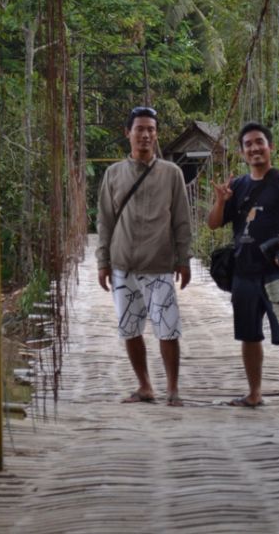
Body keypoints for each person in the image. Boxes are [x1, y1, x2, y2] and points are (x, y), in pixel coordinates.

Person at [208, 121, 279, 410]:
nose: (254, 148)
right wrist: (220, 201)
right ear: (243, 153)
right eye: (248, 144)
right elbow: (213, 224)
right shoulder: (238, 186)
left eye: (259, 142)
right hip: (244, 274)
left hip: (275, 275)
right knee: (249, 334)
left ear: (270, 147)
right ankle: (254, 394)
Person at [96, 106, 192, 406]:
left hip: (159, 264)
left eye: (151, 129)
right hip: (123, 264)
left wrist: (184, 258)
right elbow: (104, 220)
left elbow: (181, 220)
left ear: (156, 134)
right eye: (139, 129)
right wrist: (103, 261)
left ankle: (173, 389)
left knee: (168, 328)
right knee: (130, 328)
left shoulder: (172, 174)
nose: (146, 135)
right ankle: (145, 386)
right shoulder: (113, 174)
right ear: (128, 133)